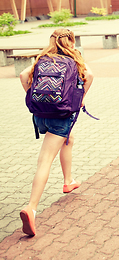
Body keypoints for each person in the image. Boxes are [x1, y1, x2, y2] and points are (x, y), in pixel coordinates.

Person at [19, 28, 94, 236]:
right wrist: (81, 97)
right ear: (70, 42)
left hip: (41, 115)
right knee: (45, 161)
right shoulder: (74, 59)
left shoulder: (43, 57)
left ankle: (68, 181)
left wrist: (31, 95)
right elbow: (90, 75)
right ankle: (31, 208)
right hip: (61, 115)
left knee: (68, 139)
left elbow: (24, 75)